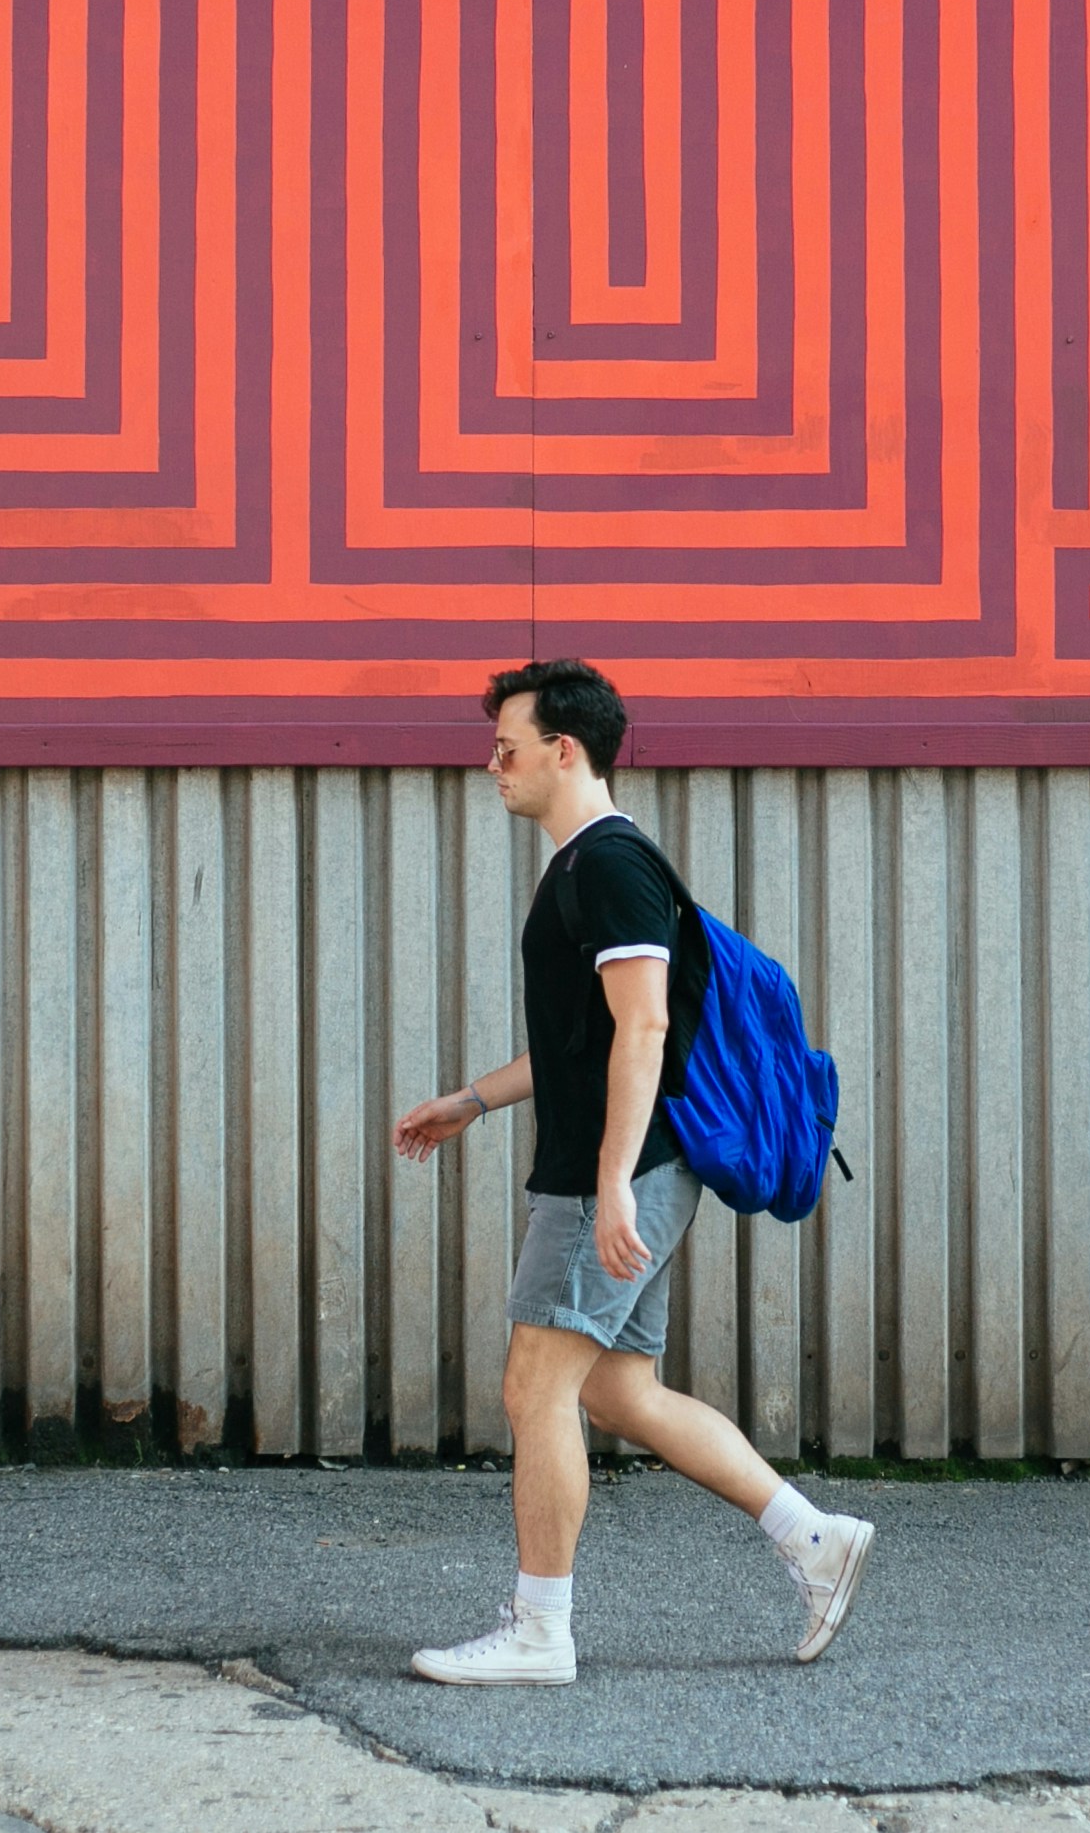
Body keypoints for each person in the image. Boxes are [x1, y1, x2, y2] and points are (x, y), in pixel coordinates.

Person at [389, 658, 875, 1687]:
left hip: (614, 1172)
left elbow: (644, 1023)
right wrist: (470, 1100)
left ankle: (538, 1630)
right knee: (615, 1388)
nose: (493, 766)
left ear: (563, 749)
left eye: (506, 748)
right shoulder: (580, 865)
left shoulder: (610, 864)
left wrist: (611, 1180)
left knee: (534, 1388)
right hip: (619, 1165)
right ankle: (812, 1537)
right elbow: (586, 1041)